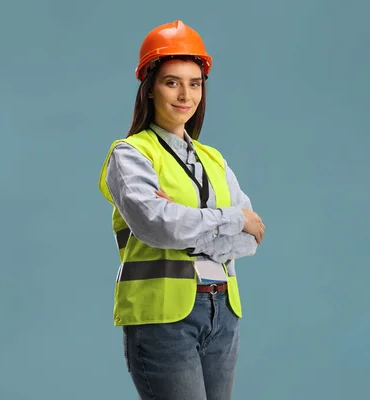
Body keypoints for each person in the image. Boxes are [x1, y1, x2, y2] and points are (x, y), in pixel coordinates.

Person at [98, 20, 265, 400]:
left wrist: (190, 227)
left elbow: (251, 238)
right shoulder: (131, 154)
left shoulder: (213, 159)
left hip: (222, 309)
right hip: (163, 315)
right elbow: (160, 227)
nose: (185, 94)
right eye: (172, 82)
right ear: (150, 89)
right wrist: (229, 219)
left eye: (195, 83)